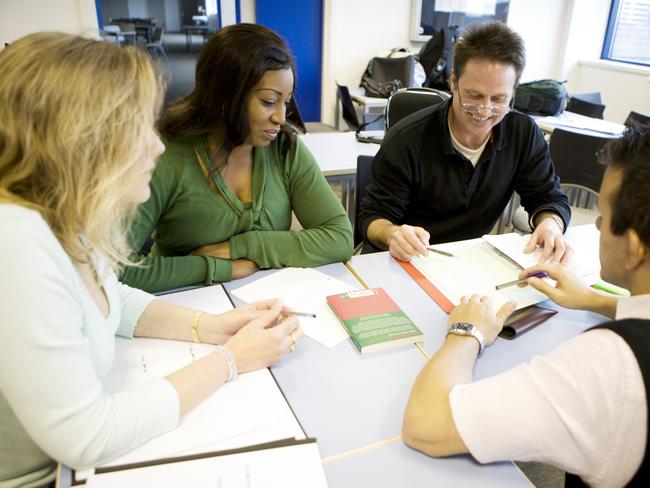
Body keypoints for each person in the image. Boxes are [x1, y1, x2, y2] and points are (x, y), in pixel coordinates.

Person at [0, 33, 303, 487]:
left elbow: (110, 294)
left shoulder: (60, 216)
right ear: (84, 140)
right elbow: (87, 436)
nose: (157, 146)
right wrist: (230, 360)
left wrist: (211, 326)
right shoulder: (17, 244)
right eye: (138, 128)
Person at [402, 126, 650, 486]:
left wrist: (466, 332)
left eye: (603, 215)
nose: (595, 223)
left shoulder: (610, 363)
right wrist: (593, 300)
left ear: (634, 247)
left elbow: (426, 424)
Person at [120, 23, 353, 293]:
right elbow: (117, 267)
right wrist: (218, 268)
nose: (280, 117)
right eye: (268, 101)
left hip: (269, 305)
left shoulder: (285, 148)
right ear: (224, 95)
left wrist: (242, 247)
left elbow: (340, 238)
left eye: (286, 101)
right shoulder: (166, 156)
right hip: (186, 309)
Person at [359, 21, 572, 264]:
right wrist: (393, 233)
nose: (484, 110)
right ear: (453, 82)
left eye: (499, 98)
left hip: (470, 262)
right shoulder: (408, 139)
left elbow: (548, 197)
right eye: (474, 95)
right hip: (408, 261)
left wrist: (551, 223)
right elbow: (372, 217)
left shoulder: (521, 133)